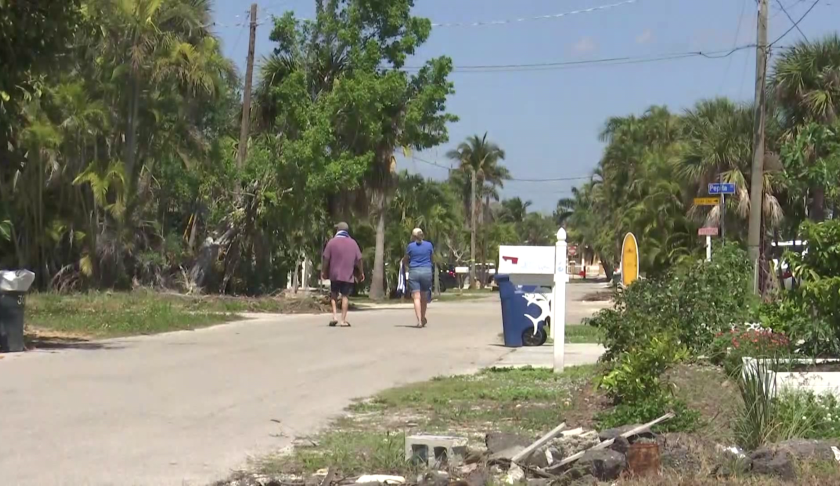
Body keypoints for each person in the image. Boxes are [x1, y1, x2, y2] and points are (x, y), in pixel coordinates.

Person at [321, 222, 363, 327]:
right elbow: (359, 259)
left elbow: (326, 258)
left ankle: (335, 316)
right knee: (345, 296)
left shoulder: (331, 242)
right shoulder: (353, 243)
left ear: (338, 230)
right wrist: (361, 272)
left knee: (334, 294)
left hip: (334, 274)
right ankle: (343, 320)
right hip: (347, 274)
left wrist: (324, 271)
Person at [404, 227, 434, 328]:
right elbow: (431, 257)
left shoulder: (410, 247)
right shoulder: (429, 245)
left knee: (416, 297)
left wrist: (407, 265)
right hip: (426, 270)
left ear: (413, 236)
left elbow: (406, 259)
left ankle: (419, 321)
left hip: (414, 271)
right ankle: (422, 317)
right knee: (424, 296)